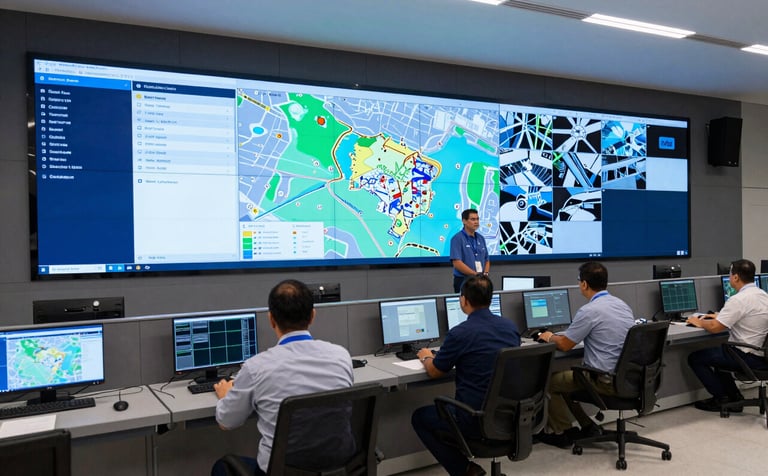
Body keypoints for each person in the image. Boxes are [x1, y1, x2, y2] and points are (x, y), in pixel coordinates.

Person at [210, 279, 353, 476]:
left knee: (222, 467)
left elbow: (226, 422)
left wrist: (226, 396)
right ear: (312, 316)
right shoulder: (341, 356)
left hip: (281, 471)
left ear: (271, 319)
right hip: (338, 468)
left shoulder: (256, 367)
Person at [411, 274, 520, 476]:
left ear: (463, 300)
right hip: (510, 416)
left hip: (474, 419)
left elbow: (435, 371)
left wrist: (426, 357)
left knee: (420, 417)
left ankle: (465, 469)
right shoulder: (510, 328)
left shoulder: (460, 333)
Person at [535, 261, 635, 448]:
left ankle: (563, 432)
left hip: (604, 380)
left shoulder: (589, 311)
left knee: (549, 383)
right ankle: (587, 425)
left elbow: (565, 344)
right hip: (628, 377)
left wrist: (548, 336)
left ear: (584, 284)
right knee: (570, 380)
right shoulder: (622, 305)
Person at [687, 259, 768, 412]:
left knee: (696, 358)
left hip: (747, 355)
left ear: (736, 277)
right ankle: (735, 398)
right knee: (720, 357)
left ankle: (721, 399)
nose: (730, 278)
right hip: (761, 355)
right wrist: (722, 315)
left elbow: (715, 328)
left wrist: (698, 322)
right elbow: (748, 316)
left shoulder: (738, 299)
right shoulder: (763, 295)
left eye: (730, 275)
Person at [450, 209, 490, 293]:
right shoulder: (457, 239)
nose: (476, 222)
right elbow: (457, 263)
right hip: (464, 280)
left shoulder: (481, 238)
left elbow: (487, 259)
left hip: (480, 280)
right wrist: (475, 275)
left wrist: (485, 274)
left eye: (477, 219)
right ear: (464, 221)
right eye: (473, 219)